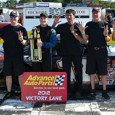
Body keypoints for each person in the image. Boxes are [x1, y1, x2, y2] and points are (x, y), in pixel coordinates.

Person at [52, 9, 84, 99]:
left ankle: (78, 91)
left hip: (77, 53)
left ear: (74, 16)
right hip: (65, 53)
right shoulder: (61, 26)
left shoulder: (78, 26)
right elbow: (50, 32)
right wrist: (54, 23)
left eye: (70, 15)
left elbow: (82, 39)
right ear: (66, 16)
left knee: (78, 72)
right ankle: (67, 91)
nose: (69, 17)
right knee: (66, 73)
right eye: (67, 15)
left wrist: (73, 32)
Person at [82, 7, 111, 100]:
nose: (95, 14)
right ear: (92, 14)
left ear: (100, 14)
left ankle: (104, 92)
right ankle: (93, 91)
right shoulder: (88, 24)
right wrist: (82, 31)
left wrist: (106, 35)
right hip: (91, 51)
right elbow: (85, 39)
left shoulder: (105, 24)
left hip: (102, 51)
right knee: (91, 72)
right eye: (94, 12)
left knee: (103, 73)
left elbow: (108, 39)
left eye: (97, 12)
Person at [0, 10, 28, 99]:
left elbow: (25, 43)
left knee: (20, 74)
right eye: (11, 17)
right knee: (7, 74)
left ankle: (23, 92)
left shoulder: (22, 29)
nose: (13, 19)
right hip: (7, 55)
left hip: (18, 55)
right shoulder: (5, 29)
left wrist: (21, 40)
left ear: (18, 18)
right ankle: (9, 92)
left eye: (15, 17)